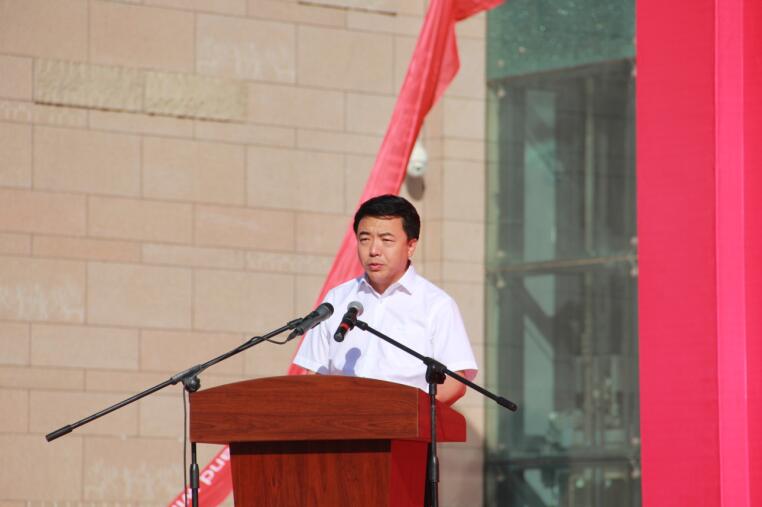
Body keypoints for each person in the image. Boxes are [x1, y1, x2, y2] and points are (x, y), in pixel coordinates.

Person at [293, 194, 478, 405]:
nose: (373, 250)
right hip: (340, 420)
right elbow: (314, 372)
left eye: (386, 240)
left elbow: (455, 381)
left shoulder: (436, 305)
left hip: (404, 421)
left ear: (410, 246)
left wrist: (407, 414)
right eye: (364, 239)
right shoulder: (337, 298)